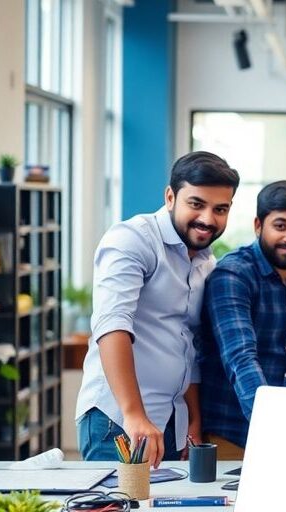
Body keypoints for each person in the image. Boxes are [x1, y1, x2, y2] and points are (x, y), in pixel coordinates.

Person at [76, 151, 240, 467]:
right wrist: (133, 414)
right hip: (119, 420)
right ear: (170, 196)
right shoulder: (132, 239)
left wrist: (193, 417)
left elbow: (188, 344)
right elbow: (112, 324)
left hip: (171, 421)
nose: (208, 218)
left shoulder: (206, 262)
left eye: (220, 209)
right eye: (196, 204)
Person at [198, 181, 286, 458]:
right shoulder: (233, 275)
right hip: (232, 432)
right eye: (280, 226)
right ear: (258, 225)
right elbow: (240, 357)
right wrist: (271, 426)